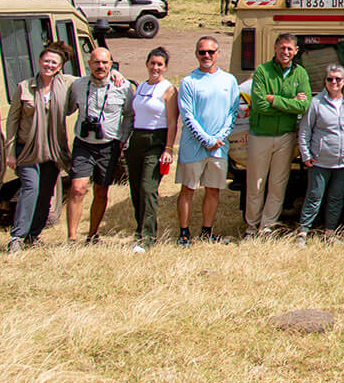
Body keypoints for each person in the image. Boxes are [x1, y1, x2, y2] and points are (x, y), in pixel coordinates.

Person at [6, 44, 79, 253]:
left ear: (59, 67)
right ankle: (17, 237)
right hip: (26, 149)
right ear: (39, 62)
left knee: (46, 193)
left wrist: (116, 74)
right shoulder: (24, 87)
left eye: (53, 63)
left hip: (52, 150)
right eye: (46, 61)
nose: (49, 65)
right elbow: (12, 122)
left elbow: (93, 77)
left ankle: (33, 234)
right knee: (31, 188)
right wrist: (10, 152)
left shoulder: (67, 84)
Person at [243, 33, 311, 239]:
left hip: (286, 136)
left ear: (296, 51)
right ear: (275, 48)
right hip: (260, 135)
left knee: (278, 185)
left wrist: (274, 99)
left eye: (290, 49)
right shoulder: (262, 71)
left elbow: (304, 104)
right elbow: (260, 105)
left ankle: (267, 227)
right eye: (282, 48)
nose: (285, 52)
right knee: (256, 184)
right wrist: (289, 103)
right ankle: (251, 228)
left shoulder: (300, 73)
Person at [175, 36, 240, 247]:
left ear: (218, 53)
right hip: (193, 147)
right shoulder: (188, 82)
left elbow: (233, 112)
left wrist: (219, 138)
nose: (206, 56)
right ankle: (184, 232)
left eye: (210, 52)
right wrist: (206, 139)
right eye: (202, 52)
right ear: (196, 54)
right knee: (188, 189)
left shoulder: (229, 81)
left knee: (213, 190)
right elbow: (187, 115)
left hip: (219, 148)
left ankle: (207, 231)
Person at [66, 45, 133, 245]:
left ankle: (93, 234)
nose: (100, 66)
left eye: (105, 62)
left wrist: (123, 139)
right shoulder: (78, 85)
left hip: (109, 145)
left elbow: (129, 114)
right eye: (96, 62)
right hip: (83, 143)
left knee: (101, 190)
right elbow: (68, 107)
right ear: (89, 64)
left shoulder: (123, 86)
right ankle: (72, 237)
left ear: (111, 64)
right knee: (78, 188)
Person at [295, 65, 344, 245]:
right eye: (330, 79)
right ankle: (302, 233)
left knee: (336, 198)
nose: (334, 82)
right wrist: (305, 154)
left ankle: (330, 234)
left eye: (338, 79)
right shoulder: (316, 102)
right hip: (320, 161)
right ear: (325, 82)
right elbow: (305, 131)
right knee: (314, 197)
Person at [125, 47, 180, 251]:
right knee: (136, 188)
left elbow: (173, 121)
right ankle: (139, 229)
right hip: (136, 138)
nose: (155, 67)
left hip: (156, 140)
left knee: (149, 188)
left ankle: (148, 237)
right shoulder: (139, 87)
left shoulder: (168, 89)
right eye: (152, 63)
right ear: (147, 64)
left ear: (165, 67)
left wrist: (168, 149)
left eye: (160, 64)